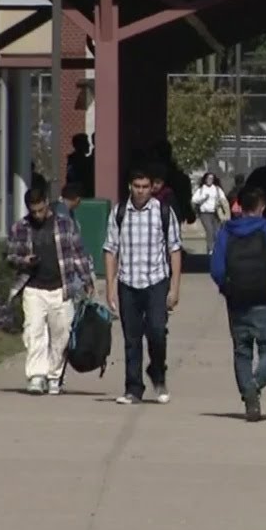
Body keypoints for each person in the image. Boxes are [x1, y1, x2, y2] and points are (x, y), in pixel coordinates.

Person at [210, 186, 266, 421]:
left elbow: (216, 268)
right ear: (262, 207)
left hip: (237, 301)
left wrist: (227, 287)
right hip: (265, 299)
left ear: (239, 206)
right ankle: (254, 386)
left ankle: (248, 393)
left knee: (242, 351)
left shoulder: (227, 232)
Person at [103, 167, 183, 405]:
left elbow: (175, 250)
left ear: (152, 188)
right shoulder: (119, 212)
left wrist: (175, 287)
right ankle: (133, 388)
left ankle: (158, 372)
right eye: (136, 187)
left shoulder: (163, 212)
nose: (140, 191)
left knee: (157, 331)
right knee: (132, 338)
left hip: (156, 281)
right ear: (130, 187)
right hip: (127, 282)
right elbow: (110, 250)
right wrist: (110, 286)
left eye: (145, 187)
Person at [4, 187, 95, 395]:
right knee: (34, 331)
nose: (38, 215)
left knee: (61, 334)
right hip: (33, 287)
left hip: (61, 288)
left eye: (41, 210)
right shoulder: (20, 227)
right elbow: (9, 256)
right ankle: (36, 376)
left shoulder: (65, 224)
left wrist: (87, 280)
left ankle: (54, 376)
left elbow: (78, 253)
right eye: (34, 211)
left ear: (47, 203)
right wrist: (23, 260)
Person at [191, 172, 228, 255]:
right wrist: (203, 198)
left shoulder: (217, 189)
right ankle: (211, 250)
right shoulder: (201, 189)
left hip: (216, 213)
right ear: (205, 179)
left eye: (211, 178)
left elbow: (223, 199)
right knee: (209, 230)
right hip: (205, 214)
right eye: (208, 178)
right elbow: (194, 200)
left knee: (217, 232)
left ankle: (216, 249)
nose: (209, 180)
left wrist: (220, 203)